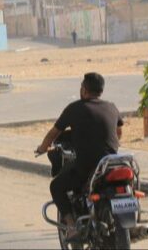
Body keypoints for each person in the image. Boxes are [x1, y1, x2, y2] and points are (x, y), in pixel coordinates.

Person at [35, 72, 123, 239]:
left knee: (56, 186)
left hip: (87, 166)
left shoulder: (75, 108)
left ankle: (71, 225)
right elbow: (118, 132)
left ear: (84, 89)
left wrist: (42, 148)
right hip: (111, 164)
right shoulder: (111, 107)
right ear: (100, 90)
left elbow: (54, 132)